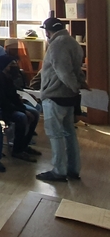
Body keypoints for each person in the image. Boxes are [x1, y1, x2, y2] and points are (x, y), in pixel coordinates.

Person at [36, 17, 85, 182]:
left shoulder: (57, 44)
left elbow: (63, 71)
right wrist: (79, 86)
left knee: (55, 135)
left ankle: (59, 171)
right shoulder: (73, 43)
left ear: (48, 31)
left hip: (55, 96)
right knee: (69, 133)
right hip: (69, 97)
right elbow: (76, 69)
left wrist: (75, 86)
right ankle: (73, 169)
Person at [0, 55, 41, 162]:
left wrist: (23, 108)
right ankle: (17, 150)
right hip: (2, 108)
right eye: (12, 64)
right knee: (22, 117)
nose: (15, 67)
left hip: (11, 106)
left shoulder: (9, 77)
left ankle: (24, 146)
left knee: (35, 113)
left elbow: (14, 97)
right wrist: (23, 111)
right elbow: (3, 102)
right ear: (5, 66)